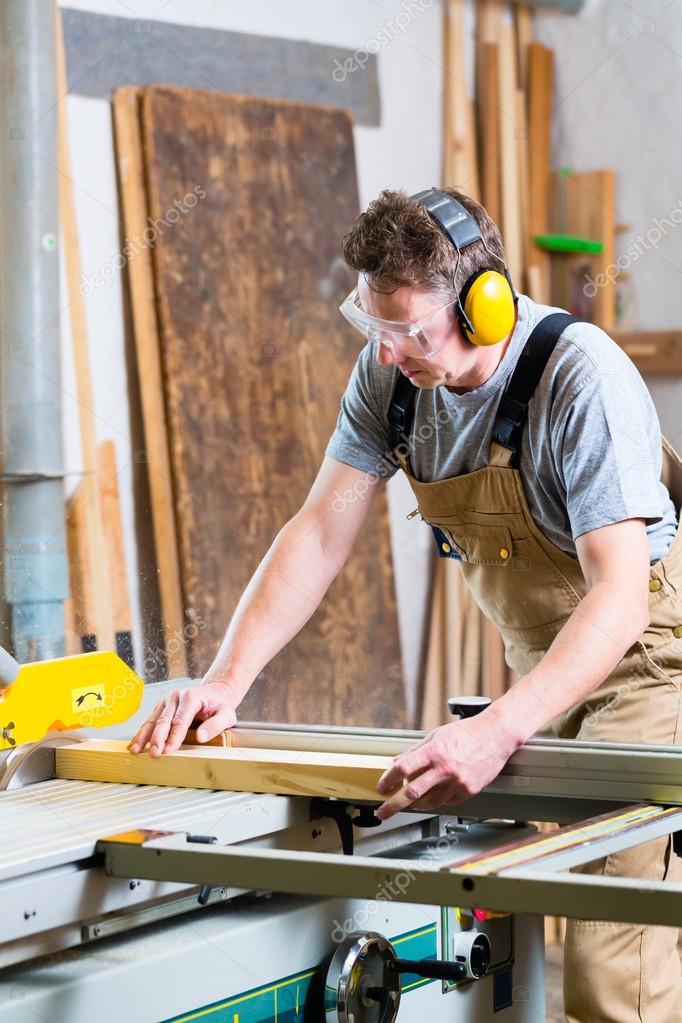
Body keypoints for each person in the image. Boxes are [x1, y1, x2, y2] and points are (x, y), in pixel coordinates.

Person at [129, 186, 682, 1023]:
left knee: (610, 963)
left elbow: (618, 595)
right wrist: (226, 678)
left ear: (484, 306)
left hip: (646, 668)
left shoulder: (580, 378)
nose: (388, 354)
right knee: (512, 923)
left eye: (409, 332)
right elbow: (319, 531)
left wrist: (499, 727)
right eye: (373, 327)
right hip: (544, 669)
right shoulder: (392, 382)